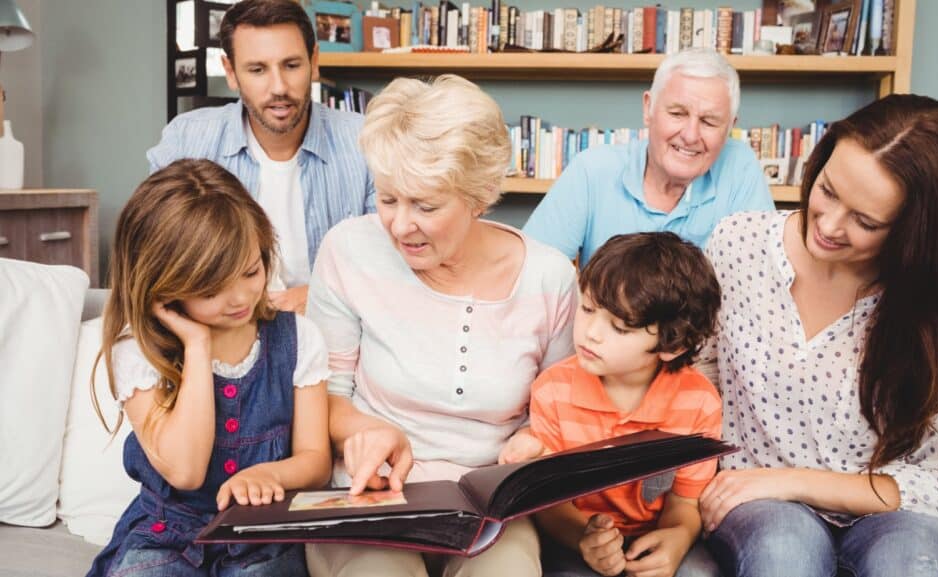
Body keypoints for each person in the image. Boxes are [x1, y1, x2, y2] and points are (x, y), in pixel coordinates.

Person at [699, 94, 938, 577]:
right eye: (828, 190)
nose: (830, 225)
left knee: (910, 566)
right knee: (783, 557)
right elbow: (696, 385)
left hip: (904, 516)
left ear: (921, 234)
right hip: (763, 506)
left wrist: (793, 481)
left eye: (866, 221)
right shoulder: (737, 245)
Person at [304, 74, 578, 577]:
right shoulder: (348, 250)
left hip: (489, 505)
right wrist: (364, 430)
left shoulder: (549, 277)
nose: (400, 225)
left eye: (425, 206)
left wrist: (536, 441)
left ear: (479, 196)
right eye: (387, 199)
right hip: (369, 494)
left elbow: (560, 409)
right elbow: (326, 396)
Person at [86, 159, 333, 576]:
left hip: (261, 537)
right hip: (167, 539)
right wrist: (197, 347)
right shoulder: (138, 351)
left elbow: (315, 460)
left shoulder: (299, 339)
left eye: (251, 271)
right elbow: (185, 470)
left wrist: (269, 473)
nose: (240, 298)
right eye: (212, 288)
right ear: (164, 285)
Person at [147, 0, 375, 315]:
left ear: (314, 61)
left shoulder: (367, 142)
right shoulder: (185, 141)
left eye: (292, 65)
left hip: (334, 330)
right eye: (257, 70)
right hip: (221, 330)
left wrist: (321, 294)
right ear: (231, 72)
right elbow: (155, 257)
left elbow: (394, 261)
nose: (278, 87)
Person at [525, 232, 723, 577]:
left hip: (655, 534)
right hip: (575, 536)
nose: (591, 333)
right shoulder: (552, 391)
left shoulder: (699, 401)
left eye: (619, 327)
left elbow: (684, 502)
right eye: (587, 310)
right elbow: (549, 505)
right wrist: (585, 540)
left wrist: (677, 538)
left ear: (672, 345)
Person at [522, 48, 774, 268]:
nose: (690, 135)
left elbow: (761, 279)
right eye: (677, 113)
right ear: (648, 109)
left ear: (730, 127)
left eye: (709, 121)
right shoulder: (592, 170)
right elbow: (532, 274)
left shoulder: (740, 166)